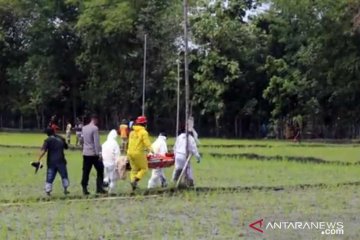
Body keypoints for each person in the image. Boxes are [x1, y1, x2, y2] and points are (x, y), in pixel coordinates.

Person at [36, 128, 70, 196]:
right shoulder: (61, 138)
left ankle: (48, 191)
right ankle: (65, 189)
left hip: (51, 162)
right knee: (64, 175)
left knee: (50, 176)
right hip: (61, 160)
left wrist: (38, 159)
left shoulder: (48, 140)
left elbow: (43, 151)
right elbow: (66, 147)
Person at [81, 114, 106, 195]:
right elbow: (96, 142)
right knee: (100, 170)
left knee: (86, 171)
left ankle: (84, 188)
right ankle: (99, 188)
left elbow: (81, 140)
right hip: (93, 154)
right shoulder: (95, 128)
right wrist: (99, 154)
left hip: (85, 153)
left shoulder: (84, 128)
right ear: (95, 119)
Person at [127, 116, 152, 190]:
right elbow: (147, 144)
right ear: (144, 124)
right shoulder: (144, 132)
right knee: (144, 168)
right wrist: (152, 151)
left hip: (130, 153)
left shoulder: (131, 132)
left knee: (134, 170)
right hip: (138, 153)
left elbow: (129, 143)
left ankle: (133, 186)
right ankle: (135, 180)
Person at [102, 129, 121, 193]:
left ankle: (105, 188)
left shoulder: (105, 143)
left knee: (106, 176)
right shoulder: (115, 144)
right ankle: (110, 192)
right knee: (113, 179)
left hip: (104, 163)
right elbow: (117, 154)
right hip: (112, 163)